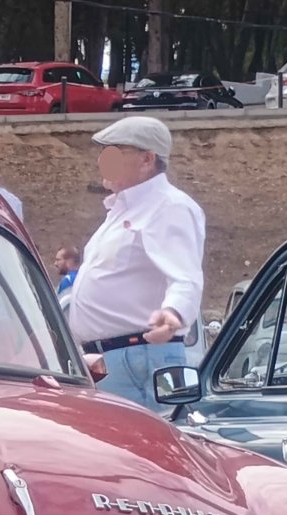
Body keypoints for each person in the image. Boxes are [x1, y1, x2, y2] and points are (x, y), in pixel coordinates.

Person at [66, 115, 205, 411]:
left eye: (115, 153)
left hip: (138, 357)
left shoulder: (170, 207)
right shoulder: (125, 210)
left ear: (147, 160)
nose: (103, 161)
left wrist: (173, 312)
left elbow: (185, 277)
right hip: (118, 358)